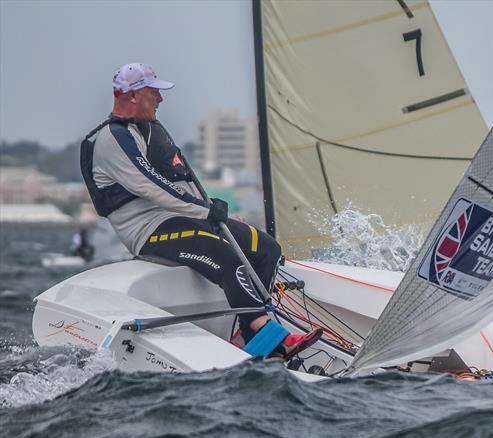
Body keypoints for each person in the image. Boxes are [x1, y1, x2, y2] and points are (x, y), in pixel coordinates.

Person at [80, 62, 320, 359]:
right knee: (228, 257)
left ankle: (245, 334)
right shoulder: (113, 138)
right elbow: (150, 185)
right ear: (133, 95)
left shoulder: (146, 130)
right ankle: (270, 337)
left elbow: (181, 182)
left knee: (267, 248)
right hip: (150, 231)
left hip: (182, 217)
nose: (161, 99)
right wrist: (206, 212)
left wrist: (213, 212)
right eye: (154, 92)